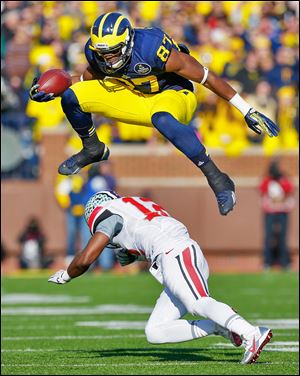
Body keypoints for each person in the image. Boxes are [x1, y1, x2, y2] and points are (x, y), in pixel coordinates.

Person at [30, 12, 279, 216]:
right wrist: (52, 89)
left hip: (173, 95)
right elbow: (82, 81)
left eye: (114, 52)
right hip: (134, 96)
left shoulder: (153, 49)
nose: (108, 59)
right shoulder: (97, 53)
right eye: (102, 54)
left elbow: (208, 78)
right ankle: (92, 147)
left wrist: (246, 109)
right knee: (72, 96)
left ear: (127, 42)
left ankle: (218, 179)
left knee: (161, 118)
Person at [48, 190, 273, 364]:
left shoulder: (106, 212)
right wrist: (135, 256)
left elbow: (87, 258)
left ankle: (251, 333)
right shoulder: (134, 205)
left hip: (175, 253)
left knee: (198, 303)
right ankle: (220, 327)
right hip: (174, 256)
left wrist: (66, 274)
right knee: (155, 331)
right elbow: (151, 235)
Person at [259, 159, 295, 270]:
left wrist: (282, 199)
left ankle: (284, 261)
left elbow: (290, 190)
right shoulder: (267, 180)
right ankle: (267, 262)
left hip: (283, 212)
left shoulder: (283, 179)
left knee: (282, 237)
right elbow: (262, 190)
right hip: (270, 212)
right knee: (269, 236)